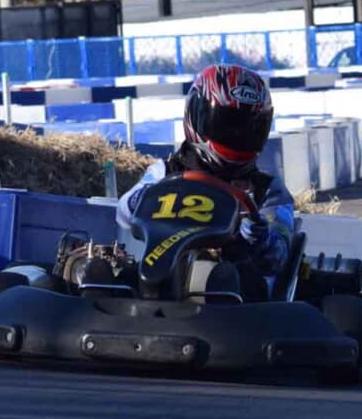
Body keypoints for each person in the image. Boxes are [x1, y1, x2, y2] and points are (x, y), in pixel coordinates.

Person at [116, 64, 294, 298]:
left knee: (227, 277)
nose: (237, 135)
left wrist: (261, 238)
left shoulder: (268, 190)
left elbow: (278, 257)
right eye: (227, 124)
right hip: (163, 276)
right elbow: (124, 211)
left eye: (249, 129)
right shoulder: (165, 172)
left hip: (239, 299)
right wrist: (143, 199)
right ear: (197, 116)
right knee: (117, 275)